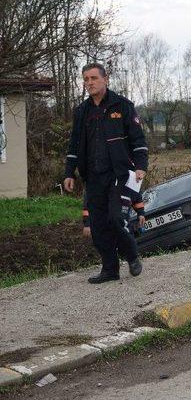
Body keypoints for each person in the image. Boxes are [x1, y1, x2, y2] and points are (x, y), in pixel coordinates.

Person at [63, 62, 148, 284]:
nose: (89, 83)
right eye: (86, 79)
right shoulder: (81, 112)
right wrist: (69, 173)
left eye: (93, 78)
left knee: (116, 217)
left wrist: (140, 166)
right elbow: (74, 145)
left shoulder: (123, 106)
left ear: (105, 79)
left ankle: (132, 256)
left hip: (120, 174)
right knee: (98, 225)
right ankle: (110, 269)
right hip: (93, 176)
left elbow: (138, 140)